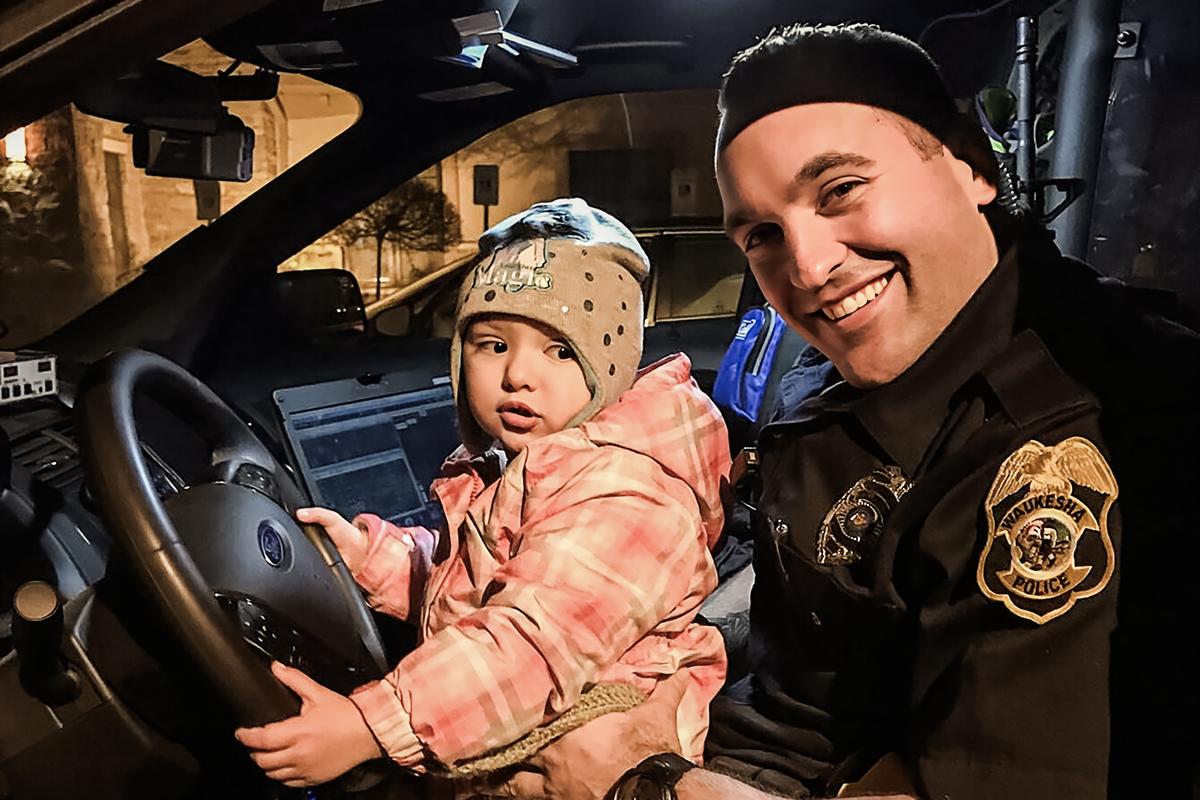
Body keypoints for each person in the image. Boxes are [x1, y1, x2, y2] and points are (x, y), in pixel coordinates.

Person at [474, 22, 1200, 800]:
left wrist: (645, 779)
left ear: (975, 166)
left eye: (841, 191)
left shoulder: (1082, 434)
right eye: (761, 235)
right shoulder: (880, 361)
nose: (809, 268)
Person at [234, 198, 731, 790]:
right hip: (502, 718)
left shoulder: (626, 494)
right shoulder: (522, 460)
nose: (517, 374)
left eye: (561, 350)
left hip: (584, 760)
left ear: (611, 365)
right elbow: (471, 578)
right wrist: (373, 558)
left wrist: (368, 726)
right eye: (493, 344)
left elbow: (526, 646)